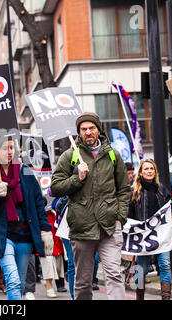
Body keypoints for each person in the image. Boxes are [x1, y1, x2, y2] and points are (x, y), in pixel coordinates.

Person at [51, 112, 130, 300]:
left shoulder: (113, 155)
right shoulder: (70, 156)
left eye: (91, 128)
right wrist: (77, 178)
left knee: (114, 274)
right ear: (79, 132)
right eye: (83, 129)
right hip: (82, 228)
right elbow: (55, 188)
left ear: (98, 129)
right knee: (83, 281)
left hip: (110, 227)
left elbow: (124, 189)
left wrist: (120, 217)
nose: (88, 132)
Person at [0, 138, 53, 300]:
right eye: (5, 148)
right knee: (12, 281)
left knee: (21, 284)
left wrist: (45, 229)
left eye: (12, 148)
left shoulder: (24, 170)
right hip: (4, 235)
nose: (10, 151)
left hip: (25, 236)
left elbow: (37, 201)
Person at [128, 159, 172, 300]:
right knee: (141, 270)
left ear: (155, 172)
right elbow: (129, 215)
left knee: (165, 265)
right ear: (141, 172)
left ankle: (166, 298)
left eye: (151, 169)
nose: (149, 171)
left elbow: (170, 209)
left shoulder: (162, 189)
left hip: (160, 236)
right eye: (146, 169)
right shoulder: (134, 192)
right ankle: (140, 296)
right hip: (143, 238)